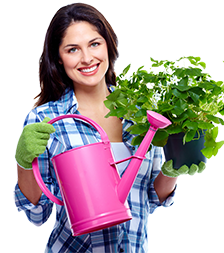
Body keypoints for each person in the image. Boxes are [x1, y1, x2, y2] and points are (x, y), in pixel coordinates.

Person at [14, 3, 178, 252]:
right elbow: (37, 214)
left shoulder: (142, 113)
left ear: (108, 44)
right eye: (73, 49)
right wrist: (24, 164)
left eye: (94, 44)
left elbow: (151, 199)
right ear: (59, 57)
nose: (87, 58)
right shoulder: (46, 119)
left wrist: (175, 166)